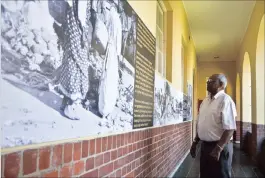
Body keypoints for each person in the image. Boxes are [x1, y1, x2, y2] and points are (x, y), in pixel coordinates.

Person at [190, 74, 237, 178]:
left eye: (211, 81)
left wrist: (218, 148)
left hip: (219, 147)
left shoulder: (226, 101)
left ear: (221, 84)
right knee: (205, 175)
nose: (208, 82)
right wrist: (195, 142)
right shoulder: (205, 101)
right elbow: (202, 124)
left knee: (220, 175)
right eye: (208, 80)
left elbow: (230, 129)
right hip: (205, 146)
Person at [98, 0, 122, 126]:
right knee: (109, 78)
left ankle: (104, 107)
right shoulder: (115, 17)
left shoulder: (112, 16)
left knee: (108, 77)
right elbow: (117, 40)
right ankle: (105, 108)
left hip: (111, 50)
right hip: (113, 51)